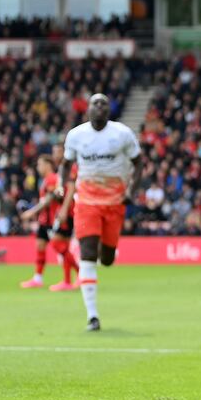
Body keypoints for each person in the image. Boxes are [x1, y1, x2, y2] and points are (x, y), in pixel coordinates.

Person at [58, 93, 143, 331]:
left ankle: (108, 252)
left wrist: (131, 191)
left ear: (109, 109)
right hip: (85, 201)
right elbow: (65, 165)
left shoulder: (122, 133)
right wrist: (59, 185)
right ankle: (92, 316)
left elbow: (139, 164)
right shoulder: (76, 135)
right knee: (86, 253)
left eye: (103, 103)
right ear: (88, 109)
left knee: (105, 258)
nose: (98, 107)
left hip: (114, 201)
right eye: (94, 103)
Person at [19, 154, 79, 291]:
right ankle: (38, 278)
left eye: (40, 164)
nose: (38, 167)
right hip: (45, 220)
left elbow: (50, 199)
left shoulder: (52, 179)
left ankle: (78, 274)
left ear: (47, 165)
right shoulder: (46, 180)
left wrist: (31, 212)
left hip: (53, 220)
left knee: (59, 246)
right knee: (40, 245)